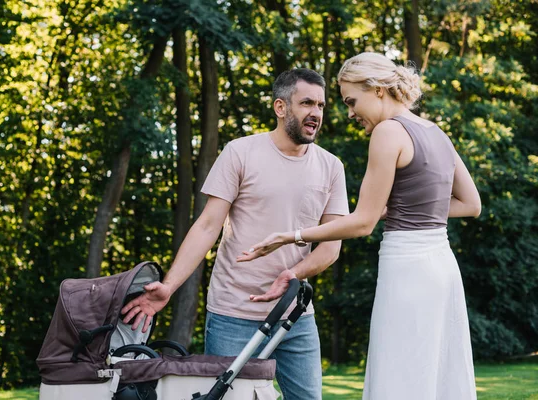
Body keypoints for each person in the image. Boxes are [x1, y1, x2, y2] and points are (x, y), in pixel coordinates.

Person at [238, 52, 481, 400]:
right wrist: (406, 208)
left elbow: (362, 222)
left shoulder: (388, 132)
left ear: (378, 89)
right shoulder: (435, 132)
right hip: (442, 267)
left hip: (408, 270)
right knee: (435, 375)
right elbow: (471, 205)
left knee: (398, 373)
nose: (350, 112)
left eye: (352, 101)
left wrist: (291, 236)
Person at [121, 68, 350, 399]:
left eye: (321, 105)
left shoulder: (331, 167)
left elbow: (330, 249)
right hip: (233, 314)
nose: (316, 113)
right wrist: (169, 286)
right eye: (307, 103)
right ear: (281, 107)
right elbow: (207, 225)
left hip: (295, 317)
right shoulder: (240, 152)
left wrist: (292, 274)